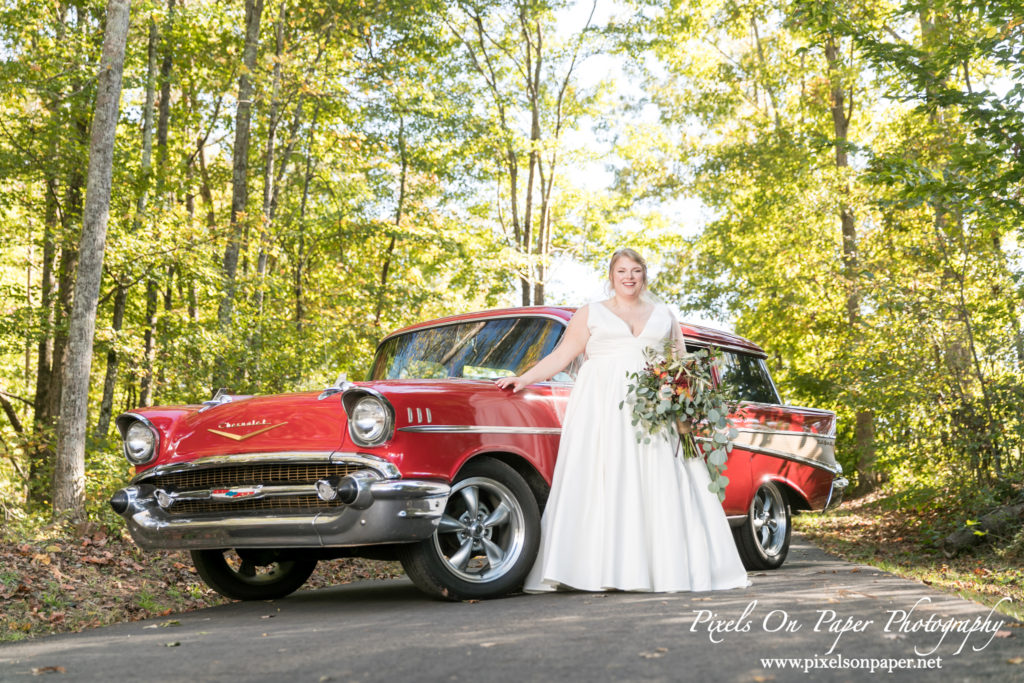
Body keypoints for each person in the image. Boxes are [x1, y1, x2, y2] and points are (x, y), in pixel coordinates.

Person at [495, 248, 750, 593]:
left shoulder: (664, 314)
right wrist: (524, 379)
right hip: (601, 409)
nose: (629, 277)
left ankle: (662, 568)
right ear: (611, 276)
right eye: (621, 271)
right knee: (603, 477)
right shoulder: (590, 314)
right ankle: (597, 568)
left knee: (658, 478)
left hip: (652, 411)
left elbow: (680, 365)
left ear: (644, 275)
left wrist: (686, 403)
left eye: (635, 271)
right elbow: (562, 355)